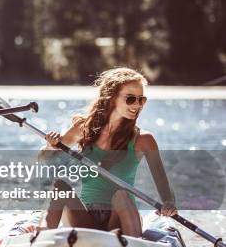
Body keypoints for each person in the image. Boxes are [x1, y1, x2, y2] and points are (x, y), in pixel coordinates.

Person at [30, 68, 177, 237]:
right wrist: (51, 146)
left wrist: (169, 202)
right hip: (86, 219)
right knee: (59, 187)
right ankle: (41, 239)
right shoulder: (83, 129)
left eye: (141, 99)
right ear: (112, 97)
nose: (137, 105)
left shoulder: (143, 139)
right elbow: (44, 159)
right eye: (130, 99)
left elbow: (162, 181)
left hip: (120, 218)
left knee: (121, 194)